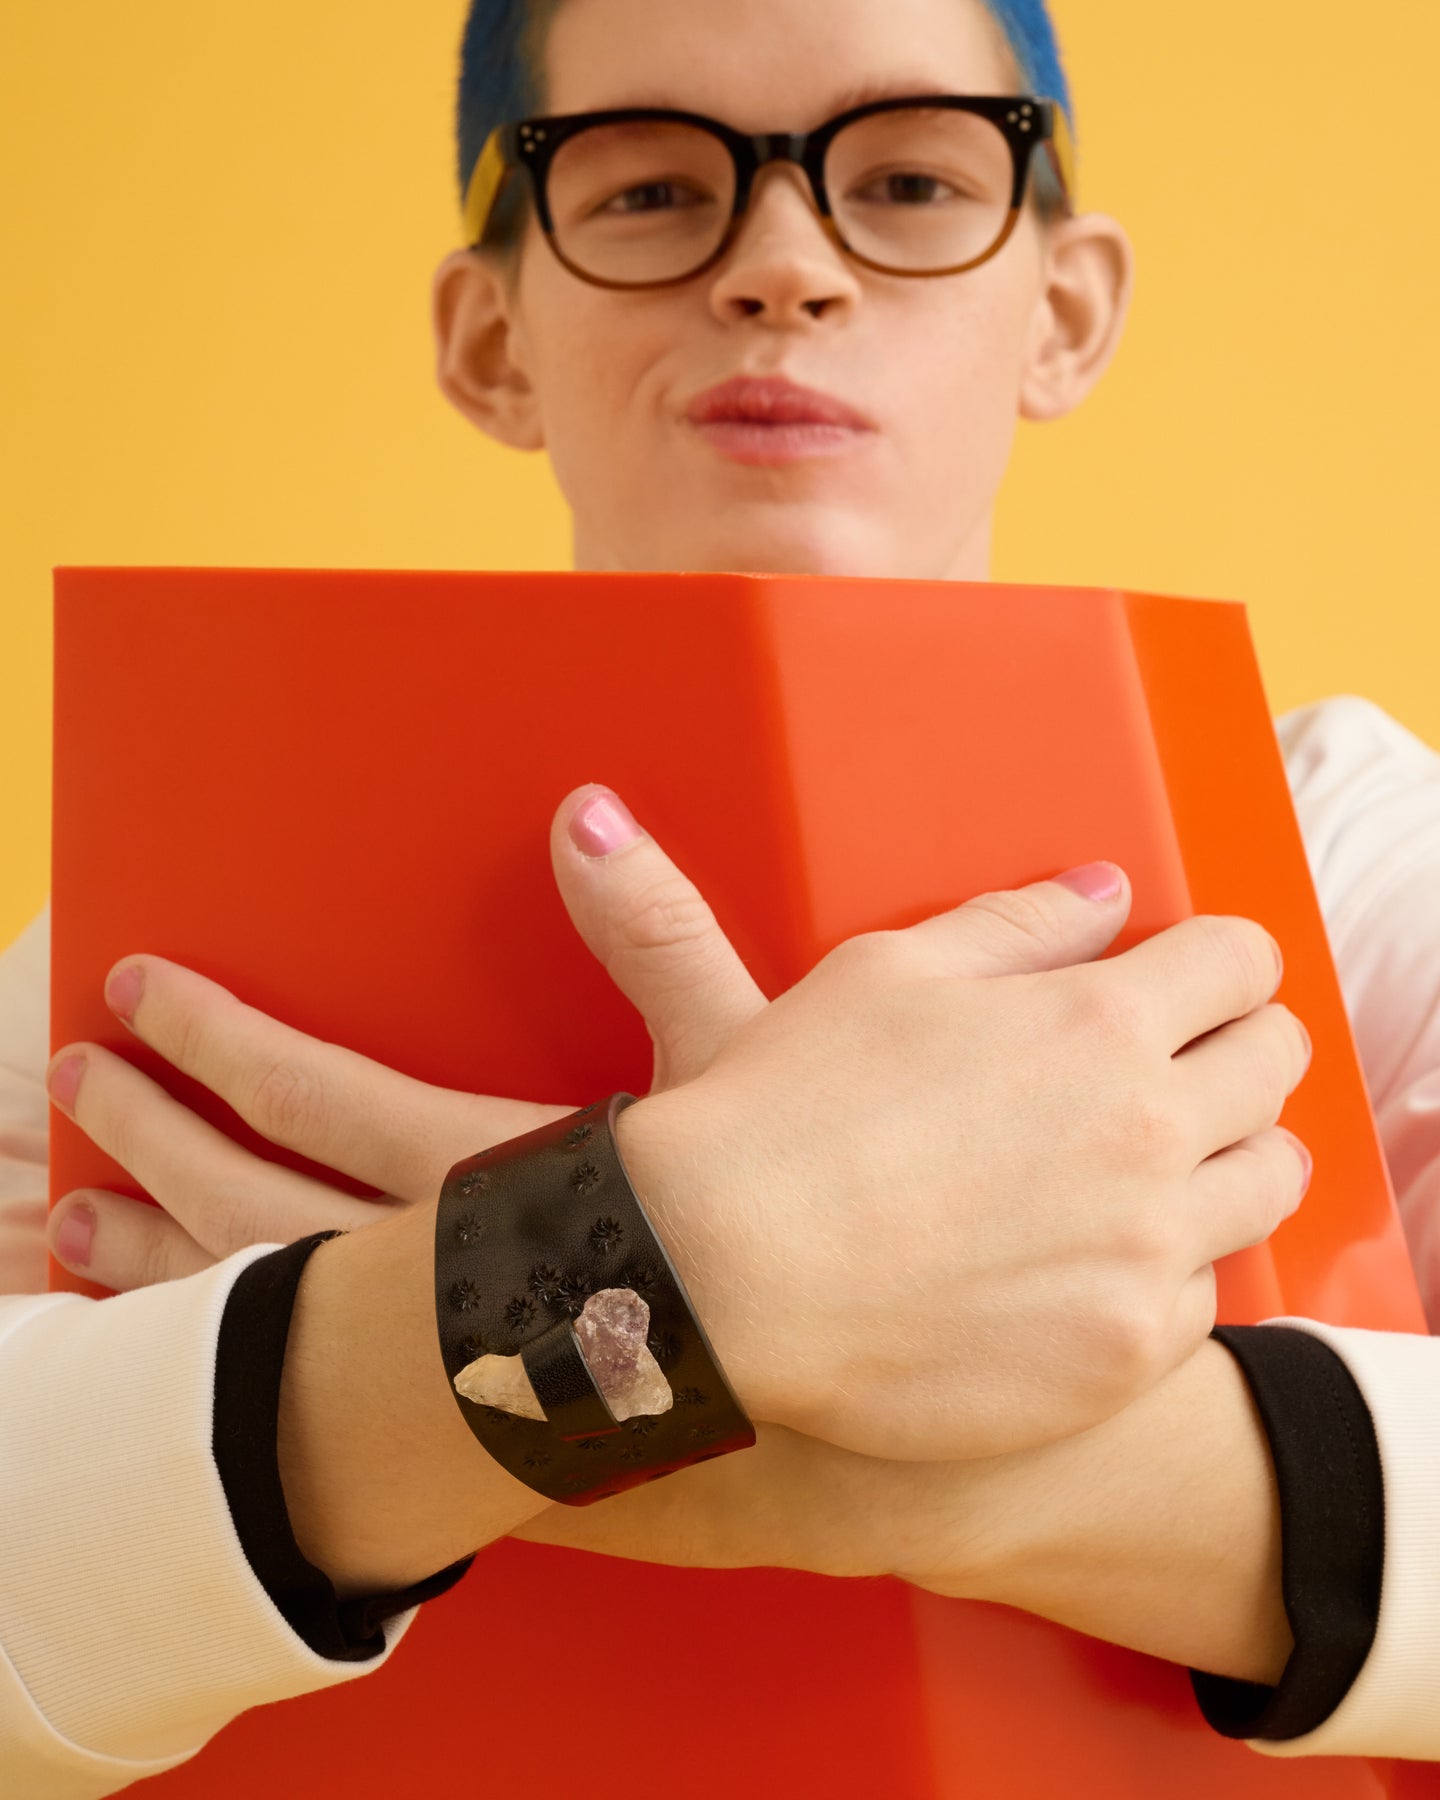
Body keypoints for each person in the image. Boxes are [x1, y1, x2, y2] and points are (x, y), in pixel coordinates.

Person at [1, 0, 1436, 1786]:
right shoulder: (172, 927)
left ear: (1064, 311)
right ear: (491, 340)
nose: (781, 268)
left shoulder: (1349, 840)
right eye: (651, 190)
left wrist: (603, 1348)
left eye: (909, 182)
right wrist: (710, 1270)